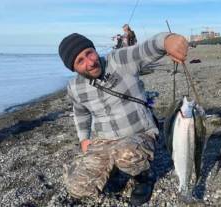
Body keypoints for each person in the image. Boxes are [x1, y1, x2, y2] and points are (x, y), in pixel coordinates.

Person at [58, 31, 188, 206]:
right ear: (73, 69)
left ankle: (144, 177)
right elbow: (81, 113)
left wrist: (167, 41)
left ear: (94, 49)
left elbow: (145, 49)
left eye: (89, 53)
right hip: (103, 142)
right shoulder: (74, 87)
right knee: (77, 187)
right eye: (80, 61)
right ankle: (108, 167)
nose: (90, 62)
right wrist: (83, 139)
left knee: (125, 153)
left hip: (139, 134)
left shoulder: (119, 60)